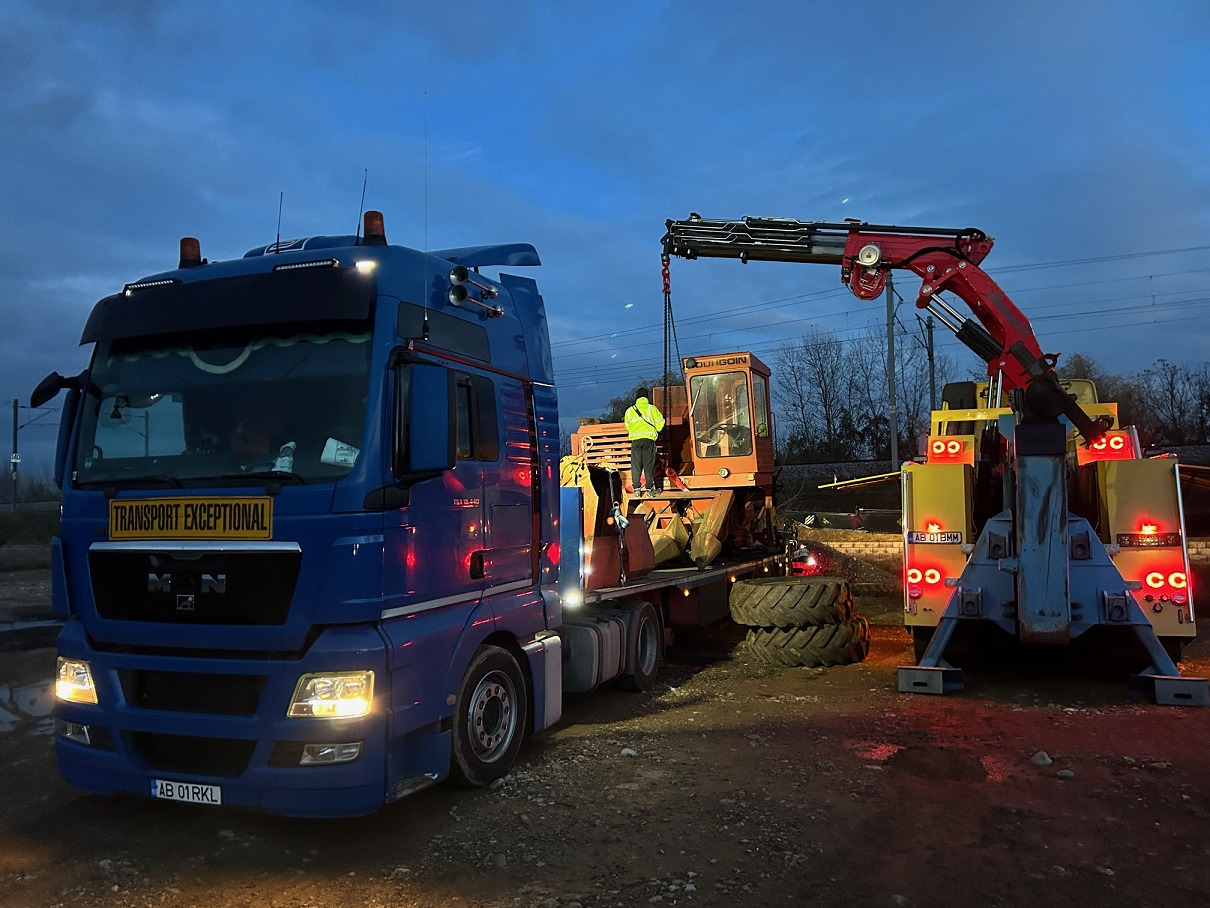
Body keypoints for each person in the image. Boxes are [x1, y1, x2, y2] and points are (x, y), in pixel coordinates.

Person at [624, 388, 665, 496]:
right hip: (648, 441)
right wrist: (654, 429)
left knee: (636, 465)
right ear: (647, 397)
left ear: (636, 397)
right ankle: (649, 490)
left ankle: (637, 489)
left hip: (635, 442)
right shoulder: (651, 409)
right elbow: (660, 424)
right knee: (648, 465)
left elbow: (628, 426)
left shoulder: (630, 410)